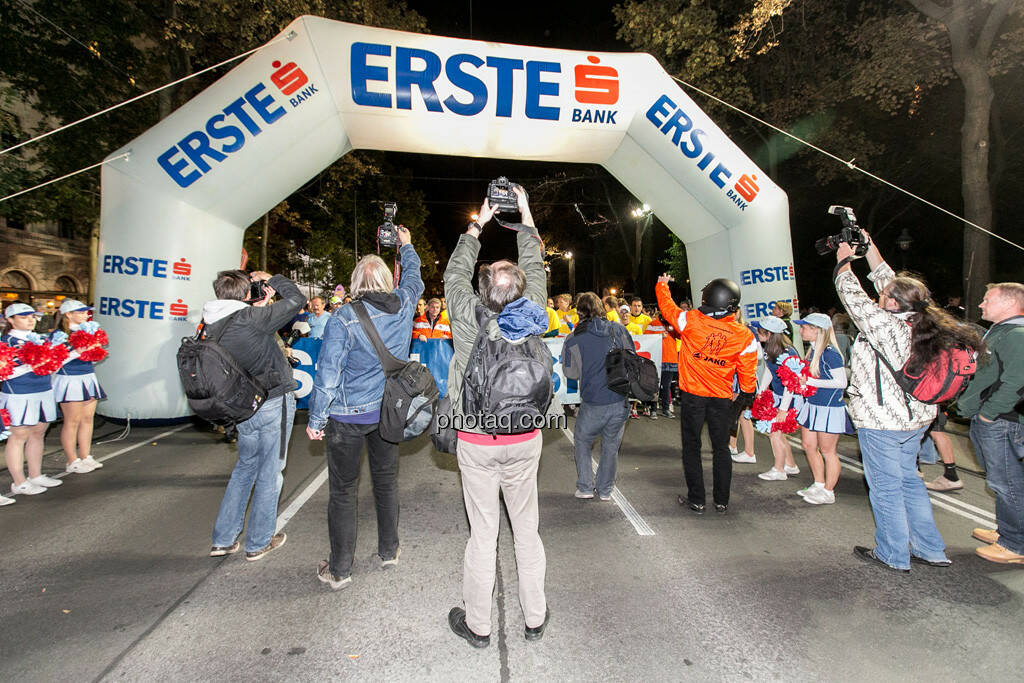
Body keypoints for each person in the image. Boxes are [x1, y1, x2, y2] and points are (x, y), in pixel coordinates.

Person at [834, 231, 978, 571]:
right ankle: (930, 548)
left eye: (884, 295)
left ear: (893, 303)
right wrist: (869, 249)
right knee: (910, 482)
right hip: (916, 419)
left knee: (885, 489)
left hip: (882, 420)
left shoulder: (885, 325)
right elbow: (891, 282)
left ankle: (892, 554)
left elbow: (849, 291)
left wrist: (843, 258)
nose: (880, 294)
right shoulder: (925, 321)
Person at [445, 185, 550, 648]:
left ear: (483, 289)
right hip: (525, 437)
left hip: (475, 439)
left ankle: (479, 624)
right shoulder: (535, 313)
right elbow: (535, 265)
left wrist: (477, 225)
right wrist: (524, 214)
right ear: (524, 291)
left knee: (482, 533)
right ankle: (535, 616)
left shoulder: (467, 314)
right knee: (527, 529)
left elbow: (454, 274)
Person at [306, 227, 422, 589]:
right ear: (388, 279)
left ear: (355, 281)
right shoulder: (403, 304)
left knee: (343, 490)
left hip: (347, 415)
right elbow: (415, 277)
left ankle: (340, 568)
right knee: (386, 481)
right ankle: (389, 549)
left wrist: (316, 417)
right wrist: (405, 245)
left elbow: (328, 372)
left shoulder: (343, 318)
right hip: (388, 410)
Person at [204, 269, 305, 561]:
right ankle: (259, 541)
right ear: (247, 294)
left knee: (245, 467)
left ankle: (223, 539)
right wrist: (273, 278)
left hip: (243, 406)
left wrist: (258, 307)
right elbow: (296, 299)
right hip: (273, 399)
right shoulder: (249, 319)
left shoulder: (212, 323)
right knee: (270, 471)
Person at [656, 274, 757, 514]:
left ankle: (697, 499)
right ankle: (722, 500)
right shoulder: (744, 335)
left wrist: (662, 285)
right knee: (722, 449)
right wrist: (745, 395)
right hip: (721, 399)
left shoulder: (691, 320)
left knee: (692, 447)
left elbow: (667, 308)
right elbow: (748, 372)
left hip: (693, 397)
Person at [957, 282, 1024, 564]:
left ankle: (1016, 545)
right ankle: (1006, 531)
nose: (982, 304)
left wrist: (989, 413)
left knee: (1007, 482)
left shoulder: (1016, 334)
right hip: (992, 418)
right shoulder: (1001, 331)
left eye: (987, 299)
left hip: (1000, 421)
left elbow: (1017, 382)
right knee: (1001, 481)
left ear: (1010, 303)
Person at [563, 292, 633, 501]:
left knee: (583, 441)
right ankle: (605, 490)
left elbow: (571, 374)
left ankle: (585, 486)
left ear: (579, 312)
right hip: (619, 400)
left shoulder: (574, 338)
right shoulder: (618, 330)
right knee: (611, 446)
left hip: (593, 401)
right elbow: (632, 359)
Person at [1, 303, 62, 502]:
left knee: (39, 431)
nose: (30, 320)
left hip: (42, 390)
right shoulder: (6, 342)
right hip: (19, 392)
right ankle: (18, 481)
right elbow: (4, 372)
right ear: (10, 319)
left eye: (32, 316)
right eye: (23, 316)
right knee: (19, 436)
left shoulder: (40, 338)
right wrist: (33, 365)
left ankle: (35, 475)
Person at [793, 312, 852, 505]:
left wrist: (809, 381)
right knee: (808, 446)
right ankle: (818, 484)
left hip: (829, 408)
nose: (801, 330)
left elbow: (841, 382)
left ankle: (828, 491)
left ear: (817, 330)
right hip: (812, 405)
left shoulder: (830, 353)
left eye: (804, 327)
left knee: (827, 451)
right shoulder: (812, 351)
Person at [51, 299, 108, 474]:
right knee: (72, 421)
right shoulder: (59, 335)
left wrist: (96, 351)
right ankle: (72, 460)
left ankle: (85, 456)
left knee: (87, 419)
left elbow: (94, 357)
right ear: (68, 314)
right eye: (81, 312)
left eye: (86, 312)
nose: (85, 315)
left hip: (88, 377)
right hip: (69, 380)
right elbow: (54, 361)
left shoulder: (90, 331)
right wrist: (77, 352)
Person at [751, 317, 803, 481]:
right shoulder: (770, 349)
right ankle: (790, 465)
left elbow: (790, 383)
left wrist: (783, 409)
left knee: (774, 433)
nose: (756, 333)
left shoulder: (787, 353)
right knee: (778, 434)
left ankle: (779, 470)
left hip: (790, 397)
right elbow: (769, 370)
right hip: (780, 396)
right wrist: (761, 390)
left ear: (768, 333)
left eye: (759, 330)